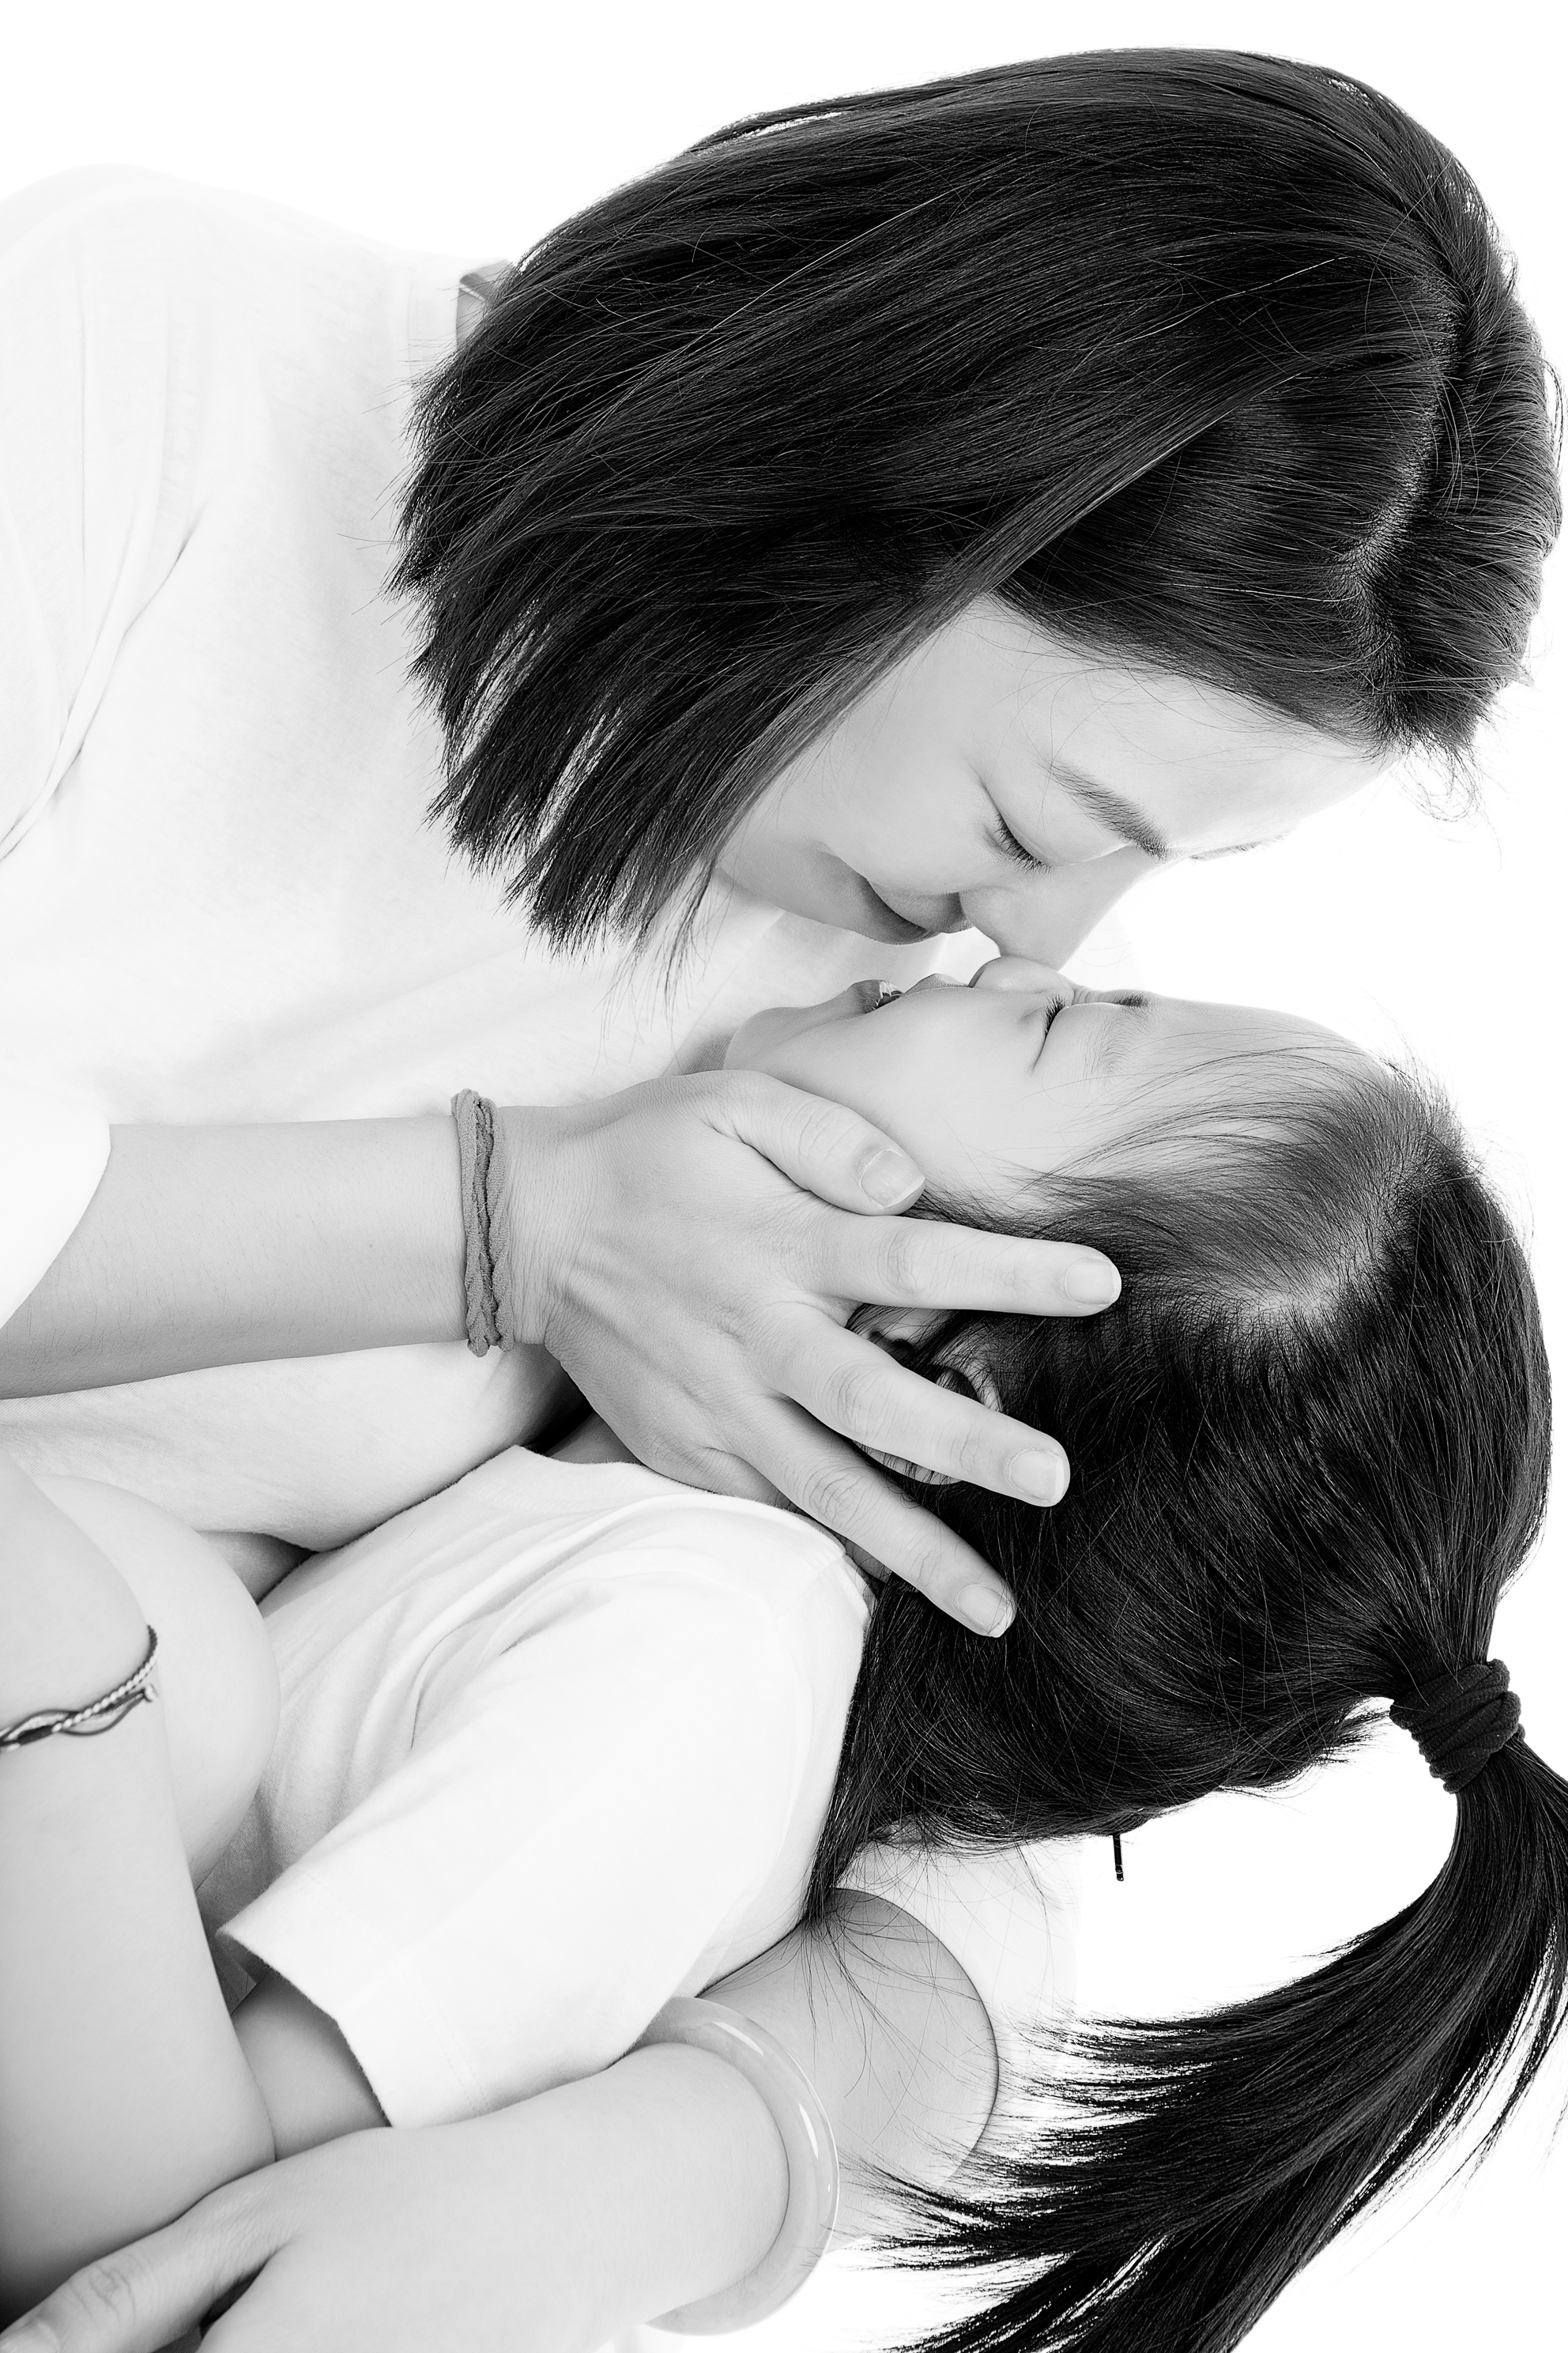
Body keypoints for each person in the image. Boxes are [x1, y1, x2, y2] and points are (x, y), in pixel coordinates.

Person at [0, 49, 1558, 1634]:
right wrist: (513, 1227)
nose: (1039, 939)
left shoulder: (913, 1036)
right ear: (861, 491)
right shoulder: (147, 363)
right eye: (1031, 821)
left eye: (1156, 861)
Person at [3, 958, 1562, 2353]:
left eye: (1052, 1022)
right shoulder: (641, 1548)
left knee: (163, 1657)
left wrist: (58, 1674)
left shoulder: (694, 1658)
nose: (998, 959)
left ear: (923, 1377)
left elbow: (216, 2235)